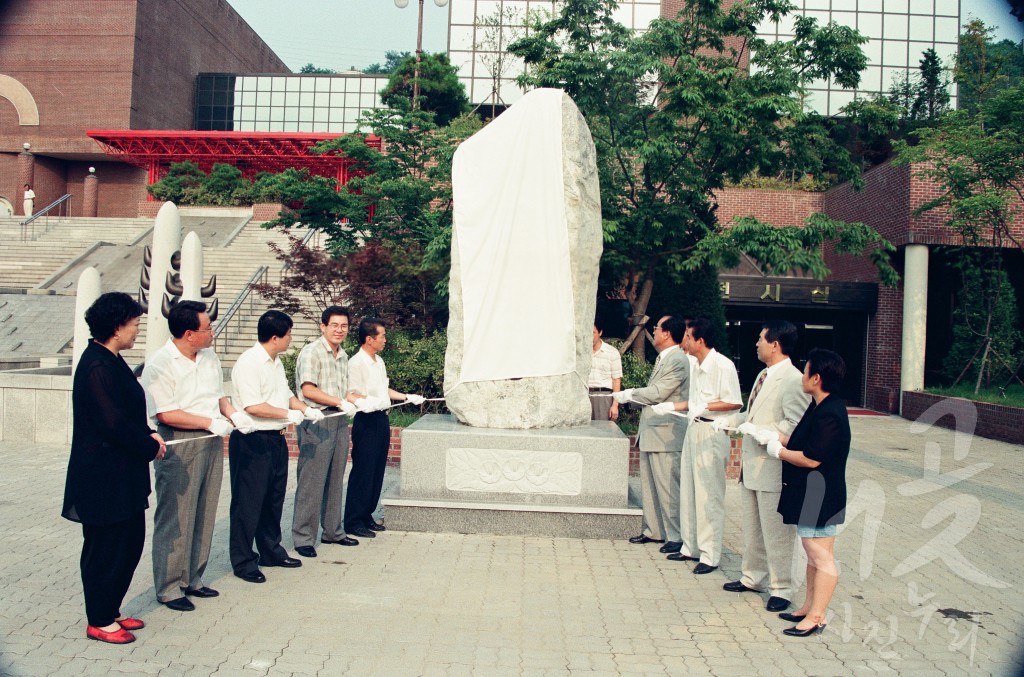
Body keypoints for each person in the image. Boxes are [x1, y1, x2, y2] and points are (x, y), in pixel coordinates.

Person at [62, 292, 166, 645]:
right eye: (135, 324)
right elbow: (112, 423)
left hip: (124, 473)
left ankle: (112, 607)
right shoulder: (95, 365)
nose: (137, 330)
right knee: (105, 548)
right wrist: (149, 446)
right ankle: (99, 619)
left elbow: (129, 413)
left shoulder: (113, 359)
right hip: (101, 476)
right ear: (117, 326)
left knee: (129, 542)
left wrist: (149, 432)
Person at [141, 300, 242, 612]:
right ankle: (169, 586)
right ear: (188, 334)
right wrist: (208, 421)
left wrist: (233, 414)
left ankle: (193, 578)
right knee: (177, 514)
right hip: (181, 441)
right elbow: (166, 412)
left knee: (205, 508)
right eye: (207, 328)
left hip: (212, 439)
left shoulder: (209, 356)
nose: (212, 333)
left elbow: (218, 395)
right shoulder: (161, 364)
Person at [713, 321, 810, 612]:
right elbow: (751, 414)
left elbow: (795, 424)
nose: (756, 344)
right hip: (751, 466)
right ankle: (752, 576)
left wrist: (766, 433)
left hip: (772, 466)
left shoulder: (793, 379)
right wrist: (731, 423)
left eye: (760, 339)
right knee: (753, 529)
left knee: (777, 532)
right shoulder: (763, 375)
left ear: (775, 344)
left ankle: (782, 587)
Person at [229, 309, 321, 583]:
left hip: (276, 439)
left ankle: (270, 550)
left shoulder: (275, 361)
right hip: (253, 440)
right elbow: (252, 405)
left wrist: (304, 408)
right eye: (289, 334)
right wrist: (285, 413)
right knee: (249, 502)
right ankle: (244, 560)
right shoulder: (249, 363)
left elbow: (286, 395)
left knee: (273, 499)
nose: (291, 339)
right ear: (274, 337)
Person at [768, 348, 851, 637]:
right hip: (815, 493)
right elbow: (805, 440)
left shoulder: (830, 412)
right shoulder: (819, 405)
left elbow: (813, 458)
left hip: (820, 494)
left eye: (805, 371)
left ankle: (816, 616)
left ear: (816, 378)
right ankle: (809, 607)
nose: (802, 376)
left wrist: (780, 452)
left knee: (820, 555)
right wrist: (778, 438)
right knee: (815, 554)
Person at [665, 317, 742, 574]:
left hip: (712, 430)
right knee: (689, 488)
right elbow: (692, 401)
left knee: (709, 494)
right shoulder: (695, 364)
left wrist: (706, 406)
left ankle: (710, 555)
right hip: (693, 427)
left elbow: (734, 402)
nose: (683, 341)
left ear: (700, 340)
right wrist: (673, 406)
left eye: (687, 336)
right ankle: (691, 547)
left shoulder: (723, 365)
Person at [613, 315, 690, 553]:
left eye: (656, 328)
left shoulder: (677, 359)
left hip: (667, 434)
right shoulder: (664, 358)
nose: (654, 331)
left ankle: (675, 536)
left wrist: (629, 393)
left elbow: (659, 393)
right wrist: (632, 399)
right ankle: (654, 531)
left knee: (668, 489)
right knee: (650, 486)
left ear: (667, 333)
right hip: (653, 432)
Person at [344, 317, 424, 539]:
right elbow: (352, 392)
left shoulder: (378, 361)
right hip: (366, 420)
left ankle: (366, 514)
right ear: (369, 339)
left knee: (377, 470)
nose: (385, 340)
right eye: (382, 336)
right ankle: (353, 520)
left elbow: (385, 391)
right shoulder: (356, 363)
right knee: (363, 470)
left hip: (381, 419)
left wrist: (408, 396)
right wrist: (367, 401)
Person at [291, 306, 360, 558]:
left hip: (339, 420)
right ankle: (303, 537)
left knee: (335, 477)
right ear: (322, 326)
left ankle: (333, 531)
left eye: (344, 326)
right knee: (312, 480)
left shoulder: (343, 355)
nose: (339, 330)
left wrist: (357, 400)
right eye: (334, 325)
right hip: (317, 419)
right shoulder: (311, 353)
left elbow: (345, 392)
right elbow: (308, 390)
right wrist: (338, 401)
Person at [588, 320, 623, 421]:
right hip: (585, 397)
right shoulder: (582, 354)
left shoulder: (612, 353)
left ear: (600, 333)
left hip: (604, 397)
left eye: (593, 332)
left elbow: (616, 380)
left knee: (602, 431)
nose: (590, 336)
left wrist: (615, 405)